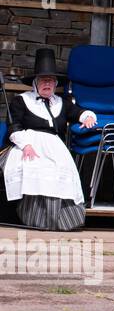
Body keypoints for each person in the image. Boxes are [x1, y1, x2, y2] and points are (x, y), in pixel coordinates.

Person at [2, 48, 96, 230]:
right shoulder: (21, 101)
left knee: (61, 170)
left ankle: (61, 221)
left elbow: (78, 112)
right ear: (35, 83)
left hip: (55, 148)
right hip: (25, 144)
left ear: (55, 84)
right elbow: (14, 127)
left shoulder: (61, 102)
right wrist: (26, 145)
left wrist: (88, 116)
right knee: (33, 166)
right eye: (43, 80)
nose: (47, 84)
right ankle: (35, 218)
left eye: (51, 81)